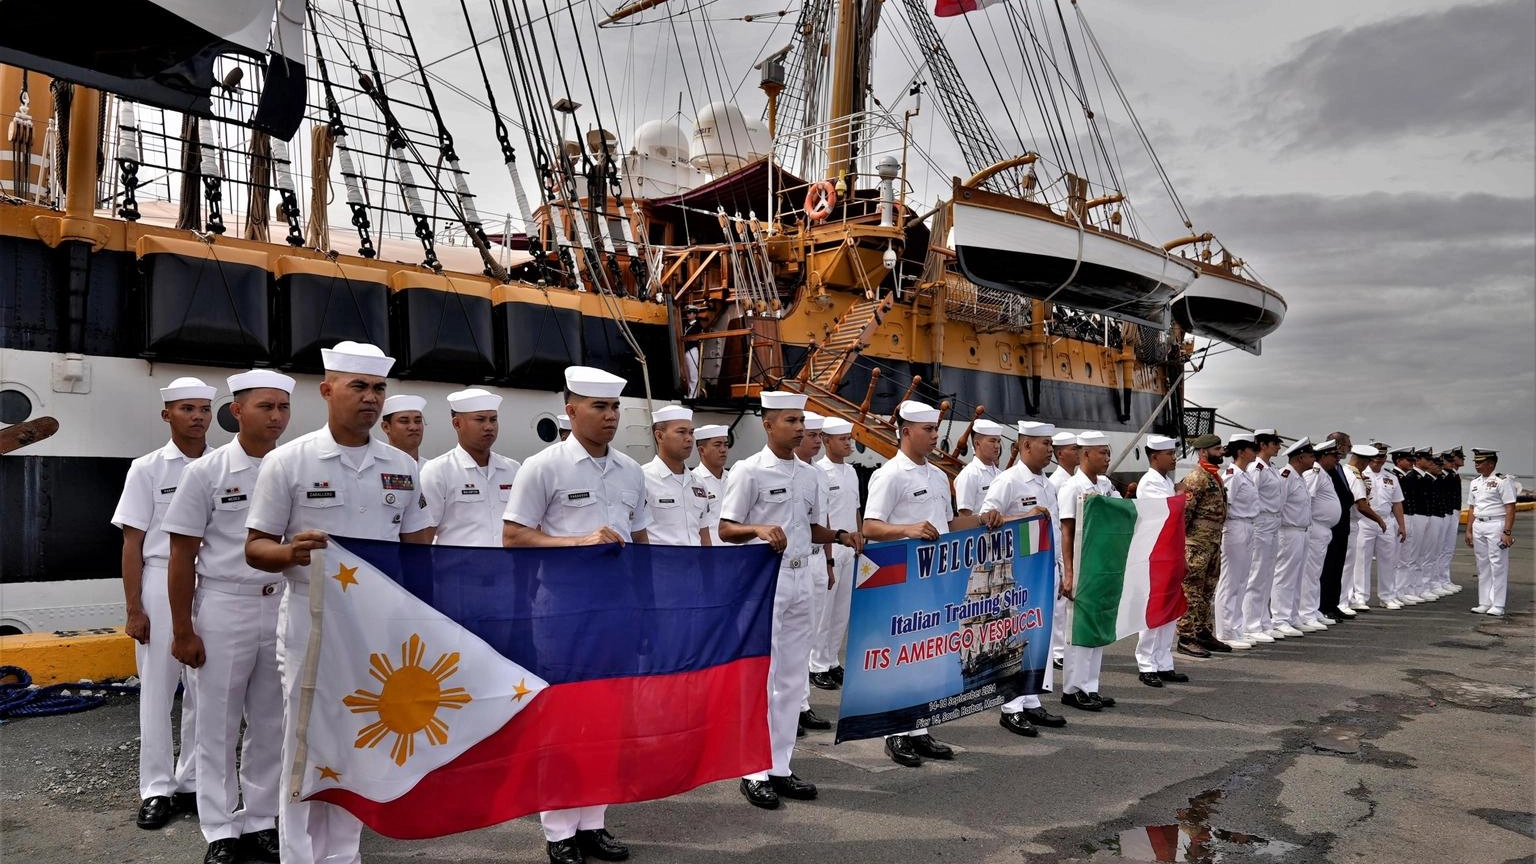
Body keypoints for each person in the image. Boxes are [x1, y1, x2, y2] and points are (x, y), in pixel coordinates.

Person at [244, 341, 436, 864]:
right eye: (359, 387)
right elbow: (255, 547)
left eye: (378, 388)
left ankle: (343, 857)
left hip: (377, 631)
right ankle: (299, 857)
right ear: (328, 390)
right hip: (312, 626)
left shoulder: (401, 465)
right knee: (304, 747)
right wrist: (289, 553)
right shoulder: (290, 461)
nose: (371, 398)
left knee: (359, 745)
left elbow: (418, 552)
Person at [502, 366, 652, 864]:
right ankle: (559, 829)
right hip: (563, 612)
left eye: (615, 408)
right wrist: (578, 542)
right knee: (565, 721)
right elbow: (514, 536)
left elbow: (643, 540)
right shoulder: (543, 467)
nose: (610, 417)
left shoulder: (632, 471)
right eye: (599, 407)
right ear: (571, 410)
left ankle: (593, 822)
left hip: (618, 611)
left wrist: (648, 605)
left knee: (608, 720)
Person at [164, 370, 293, 864]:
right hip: (224, 604)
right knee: (216, 722)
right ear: (236, 411)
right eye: (266, 407)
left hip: (279, 603)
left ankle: (260, 818)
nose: (277, 416)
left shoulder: (292, 468)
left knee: (270, 720)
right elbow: (181, 555)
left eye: (282, 407)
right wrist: (182, 629)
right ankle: (219, 827)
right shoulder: (207, 472)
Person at [719, 391, 863, 809]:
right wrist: (759, 529)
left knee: (792, 678)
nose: (800, 428)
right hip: (768, 581)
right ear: (767, 425)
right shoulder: (749, 471)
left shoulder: (810, 475)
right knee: (763, 678)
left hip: (803, 578)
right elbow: (726, 528)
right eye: (790, 421)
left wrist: (838, 536)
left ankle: (780, 764)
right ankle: (753, 769)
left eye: (801, 420)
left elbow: (811, 527)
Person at [862, 400, 1000, 763]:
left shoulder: (939, 476)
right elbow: (870, 526)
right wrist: (908, 529)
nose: (936, 436)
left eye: (936, 430)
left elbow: (949, 525)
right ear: (907, 431)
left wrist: (982, 519)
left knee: (930, 655)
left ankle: (920, 728)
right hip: (904, 581)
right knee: (903, 656)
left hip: (938, 579)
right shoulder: (890, 475)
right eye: (929, 430)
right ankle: (896, 733)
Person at [112, 376, 213, 829]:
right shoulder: (147, 468)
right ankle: (155, 787)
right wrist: (134, 608)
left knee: (205, 689)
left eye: (203, 409)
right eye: (187, 408)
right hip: (158, 580)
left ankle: (191, 780)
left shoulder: (224, 465)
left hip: (212, 583)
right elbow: (132, 543)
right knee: (157, 690)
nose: (197, 417)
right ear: (166, 414)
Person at [980, 420, 1068, 737]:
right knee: (1014, 639)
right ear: (1026, 445)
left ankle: (1031, 699)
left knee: (1038, 639)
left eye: (1051, 444)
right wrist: (1024, 517)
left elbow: (1055, 531)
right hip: (1015, 575)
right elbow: (987, 520)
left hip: (1043, 572)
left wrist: (1061, 569)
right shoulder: (1009, 481)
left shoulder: (1047, 484)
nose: (1050, 450)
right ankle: (1011, 708)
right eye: (1045, 444)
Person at [1056, 431, 1123, 709]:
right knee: (1080, 629)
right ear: (1085, 454)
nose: (1107, 458)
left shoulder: (1105, 485)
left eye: (1108, 453)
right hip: (1084, 566)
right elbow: (1067, 532)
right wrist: (1069, 573)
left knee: (1098, 626)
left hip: (1103, 565)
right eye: (1102, 453)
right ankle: (1073, 689)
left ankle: (1090, 686)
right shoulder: (1072, 487)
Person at [420, 388, 521, 547]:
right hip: (455, 571)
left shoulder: (513, 469)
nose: (489, 427)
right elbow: (425, 535)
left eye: (493, 419)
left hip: (506, 570)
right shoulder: (437, 471)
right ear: (457, 423)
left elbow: (525, 526)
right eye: (480, 420)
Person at [1133, 434, 1188, 687]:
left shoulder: (1165, 481)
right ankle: (1146, 663)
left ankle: (1163, 661)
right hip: (1155, 552)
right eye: (1169, 454)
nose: (1174, 458)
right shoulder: (1150, 482)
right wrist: (1181, 496)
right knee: (1155, 607)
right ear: (1155, 457)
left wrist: (1177, 495)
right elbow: (1167, 512)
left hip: (1171, 550)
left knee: (1170, 608)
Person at [809, 417, 859, 691]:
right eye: (842, 439)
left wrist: (861, 537)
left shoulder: (850, 472)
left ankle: (831, 660)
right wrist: (829, 557)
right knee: (824, 612)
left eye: (849, 439)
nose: (848, 443)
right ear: (827, 441)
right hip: (831, 548)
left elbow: (855, 509)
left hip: (850, 549)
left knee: (841, 612)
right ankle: (816, 665)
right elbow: (823, 519)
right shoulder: (820, 473)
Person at [1176, 434, 1229, 658]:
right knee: (1192, 590)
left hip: (1213, 542)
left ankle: (1203, 632)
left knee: (1208, 589)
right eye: (1217, 449)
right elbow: (1185, 514)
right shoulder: (1197, 478)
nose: (1222, 452)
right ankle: (1186, 637)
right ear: (1204, 452)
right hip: (1197, 543)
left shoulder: (1214, 476)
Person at [641, 405, 711, 547]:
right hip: (661, 567)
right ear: (659, 436)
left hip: (695, 567)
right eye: (681, 432)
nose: (689, 439)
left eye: (691, 433)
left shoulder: (698, 483)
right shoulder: (642, 479)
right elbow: (634, 533)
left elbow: (704, 536)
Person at [1214, 433, 1259, 649]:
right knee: (1230, 580)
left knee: (1242, 579)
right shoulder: (1232, 475)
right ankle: (1224, 631)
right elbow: (1225, 504)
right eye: (1252, 448)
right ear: (1241, 451)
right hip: (1235, 526)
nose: (1255, 451)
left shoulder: (1246, 474)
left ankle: (1236, 627)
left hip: (1249, 525)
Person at [1269, 438, 1317, 633]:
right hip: (1288, 531)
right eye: (1312, 455)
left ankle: (1292, 615)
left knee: (1297, 576)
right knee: (1285, 575)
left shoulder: (1300, 477)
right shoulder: (1286, 477)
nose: (1314, 459)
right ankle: (1280, 618)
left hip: (1302, 531)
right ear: (1300, 457)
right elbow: (1279, 506)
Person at [1242, 429, 1285, 643]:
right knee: (1256, 574)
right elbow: (1251, 495)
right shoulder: (1255, 468)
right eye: (1275, 443)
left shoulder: (1272, 468)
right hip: (1261, 522)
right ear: (1264, 445)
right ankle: (1250, 624)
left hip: (1274, 522)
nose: (1278, 446)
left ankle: (1263, 620)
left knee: (1268, 574)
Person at [1466, 449, 1516, 616]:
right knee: (1482, 564)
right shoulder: (1475, 482)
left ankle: (1498, 604)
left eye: (1480, 462)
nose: (1476, 465)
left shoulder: (1502, 481)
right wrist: (1469, 530)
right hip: (1479, 524)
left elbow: (1510, 507)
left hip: (1496, 524)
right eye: (1475, 462)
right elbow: (1472, 507)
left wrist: (1507, 532)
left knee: (1498, 564)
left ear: (1491, 464)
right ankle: (1484, 602)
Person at [1357, 444, 1407, 609]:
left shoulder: (1391, 477)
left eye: (1381, 457)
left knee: (1388, 561)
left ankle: (1387, 596)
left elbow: (1397, 503)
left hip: (1386, 521)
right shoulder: (1360, 475)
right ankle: (1360, 597)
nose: (1378, 460)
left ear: (1385, 459)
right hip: (1365, 521)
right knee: (1362, 560)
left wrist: (1401, 525)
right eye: (1375, 457)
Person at [1340, 444, 1388, 612]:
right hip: (1351, 523)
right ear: (1363, 461)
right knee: (1347, 565)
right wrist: (1379, 519)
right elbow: (1361, 505)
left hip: (1347, 522)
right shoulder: (1354, 475)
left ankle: (1348, 598)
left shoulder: (1343, 471)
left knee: (1349, 564)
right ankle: (1343, 601)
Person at [1046, 430, 1080, 670]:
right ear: (1061, 453)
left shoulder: (1072, 478)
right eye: (1073, 449)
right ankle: (1058, 650)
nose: (1078, 452)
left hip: (1071, 545)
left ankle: (1065, 645)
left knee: (1068, 602)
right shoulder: (1056, 482)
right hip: (1059, 545)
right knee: (1059, 604)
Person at [1391, 447, 1427, 605]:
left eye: (1414, 460)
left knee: (1407, 556)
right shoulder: (1394, 476)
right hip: (1400, 516)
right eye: (1409, 460)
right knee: (1397, 558)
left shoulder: (1408, 476)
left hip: (1410, 516)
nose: (1412, 463)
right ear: (1399, 460)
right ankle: (1394, 590)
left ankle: (1402, 590)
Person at [955, 419, 1007, 518]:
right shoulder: (969, 475)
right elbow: (965, 518)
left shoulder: (1000, 475)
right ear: (977, 444)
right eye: (992, 441)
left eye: (998, 441)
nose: (997, 446)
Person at [692, 424, 730, 545]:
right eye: (717, 445)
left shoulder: (734, 478)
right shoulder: (693, 482)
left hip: (738, 553)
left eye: (726, 444)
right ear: (702, 450)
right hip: (710, 553)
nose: (723, 449)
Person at [379, 393, 426, 463]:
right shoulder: (377, 467)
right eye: (404, 421)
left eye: (418, 421)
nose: (414, 427)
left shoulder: (432, 469)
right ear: (386, 427)